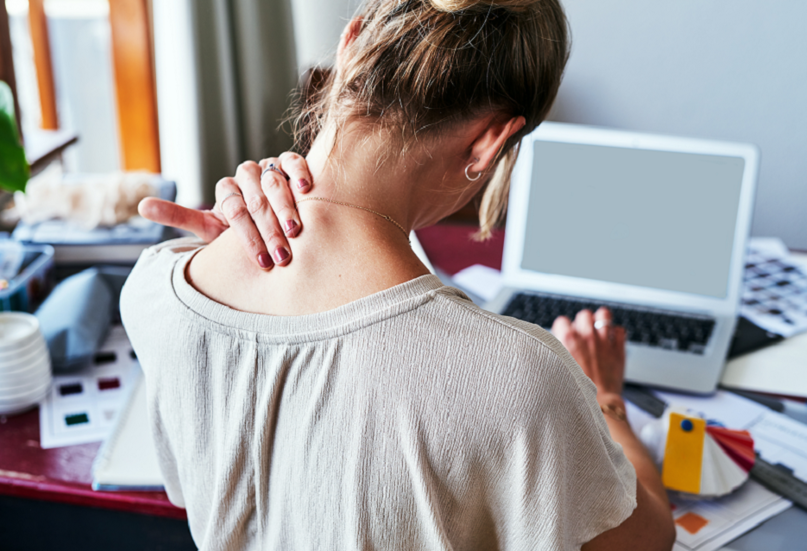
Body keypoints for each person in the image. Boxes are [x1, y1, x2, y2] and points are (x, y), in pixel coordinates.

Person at [122, 1, 676, 549]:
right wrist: (606, 400)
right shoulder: (525, 380)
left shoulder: (154, 291)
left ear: (348, 44)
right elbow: (647, 541)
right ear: (490, 142)